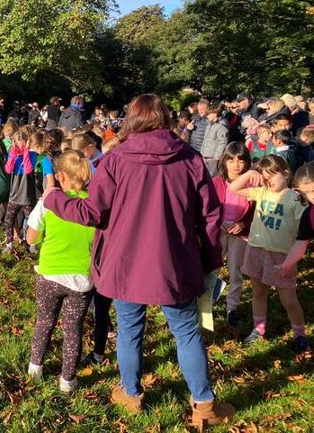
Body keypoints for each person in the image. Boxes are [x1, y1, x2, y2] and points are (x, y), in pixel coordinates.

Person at [41, 94, 234, 426]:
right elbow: (210, 216)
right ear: (165, 118)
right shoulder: (188, 159)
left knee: (131, 329)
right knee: (186, 332)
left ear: (131, 120)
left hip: (125, 262)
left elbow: (92, 211)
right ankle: (204, 404)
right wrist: (210, 259)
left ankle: (131, 394)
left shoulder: (116, 160)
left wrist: (54, 198)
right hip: (175, 261)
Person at [26, 150, 95, 393]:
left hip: (50, 274)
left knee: (45, 320)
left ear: (61, 176)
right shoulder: (95, 205)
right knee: (73, 329)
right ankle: (67, 380)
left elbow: (31, 238)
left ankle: (35, 367)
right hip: (82, 278)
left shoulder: (48, 203)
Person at [229, 155, 309, 353]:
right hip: (256, 250)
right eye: (264, 177)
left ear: (286, 173)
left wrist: (292, 261)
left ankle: (299, 335)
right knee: (258, 293)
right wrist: (249, 173)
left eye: (272, 176)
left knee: (289, 300)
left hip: (282, 256)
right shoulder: (261, 192)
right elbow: (233, 188)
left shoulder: (296, 198)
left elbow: (305, 230)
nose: (268, 181)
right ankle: (259, 329)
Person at [212, 143, 255, 327]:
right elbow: (209, 207)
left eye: (240, 160)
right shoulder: (217, 182)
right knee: (212, 269)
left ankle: (232, 307)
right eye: (231, 160)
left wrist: (243, 223)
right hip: (218, 232)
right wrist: (217, 222)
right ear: (224, 161)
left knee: (235, 271)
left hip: (239, 234)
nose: (236, 165)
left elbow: (256, 211)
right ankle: (207, 303)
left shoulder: (252, 184)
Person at [3, 130, 37, 251]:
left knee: (31, 221)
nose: (19, 148)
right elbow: (8, 169)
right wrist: (13, 153)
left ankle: (31, 244)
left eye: (21, 144)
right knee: (9, 220)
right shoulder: (12, 154)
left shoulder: (32, 155)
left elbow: (28, 169)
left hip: (27, 196)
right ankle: (9, 243)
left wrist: (26, 151)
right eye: (17, 144)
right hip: (14, 195)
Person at [200, 105, 229, 176]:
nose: (207, 116)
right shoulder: (209, 126)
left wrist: (216, 157)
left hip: (213, 159)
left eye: (209, 114)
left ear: (215, 114)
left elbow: (223, 142)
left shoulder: (221, 126)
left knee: (213, 177)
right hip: (205, 156)